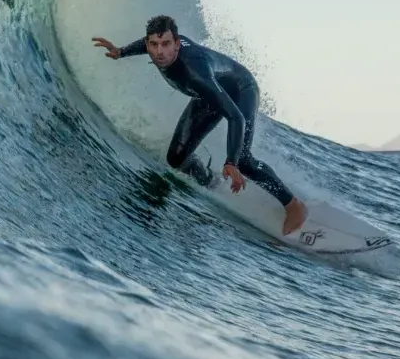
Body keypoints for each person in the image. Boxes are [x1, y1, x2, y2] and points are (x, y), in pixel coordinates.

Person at [93, 15, 309, 236]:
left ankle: (293, 206)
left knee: (243, 160)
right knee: (176, 158)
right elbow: (147, 42)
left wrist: (231, 162)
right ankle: (211, 182)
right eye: (154, 45)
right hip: (208, 95)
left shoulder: (195, 73)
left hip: (240, 90)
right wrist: (121, 52)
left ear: (177, 43)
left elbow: (236, 118)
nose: (160, 52)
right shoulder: (158, 48)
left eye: (166, 44)